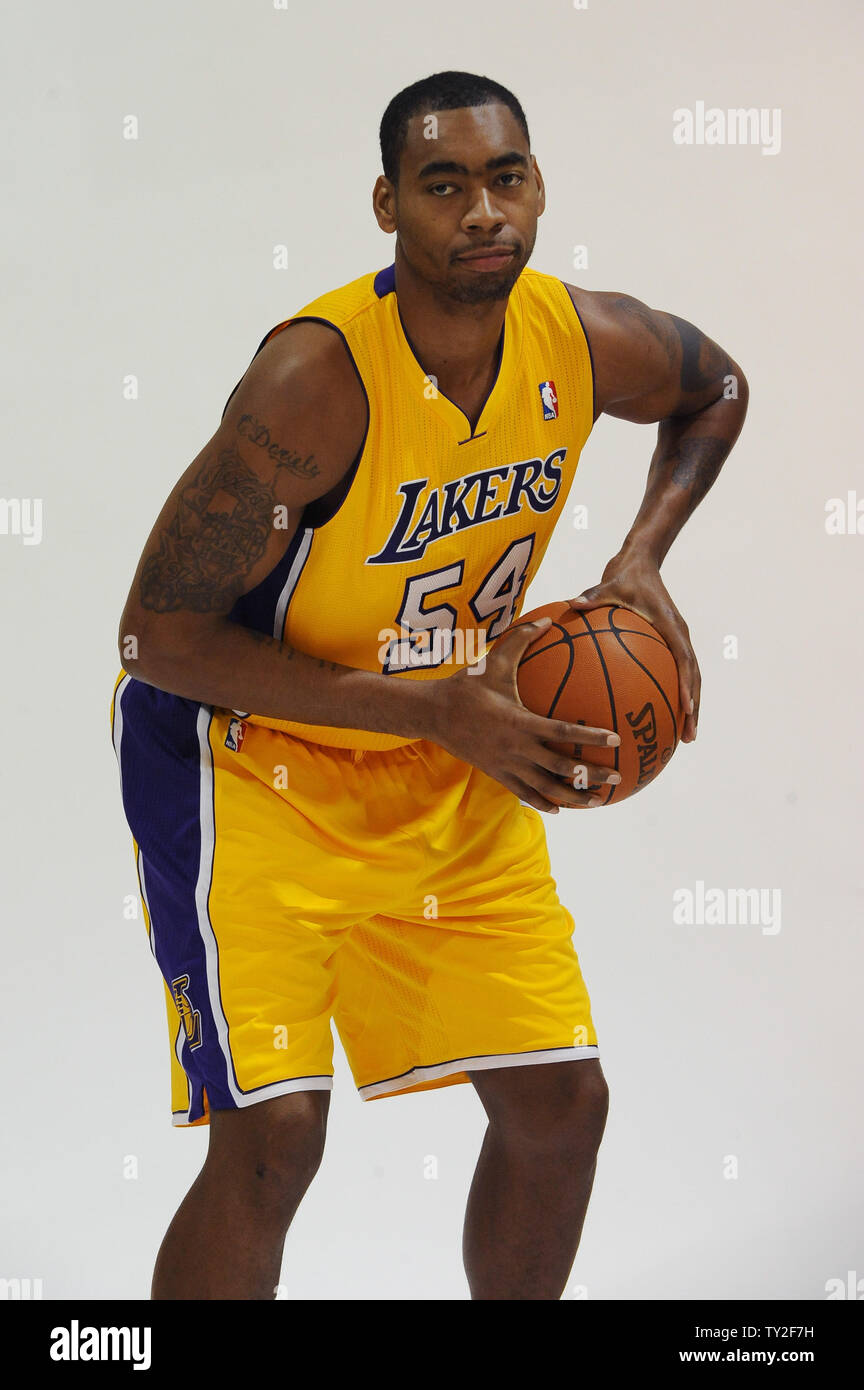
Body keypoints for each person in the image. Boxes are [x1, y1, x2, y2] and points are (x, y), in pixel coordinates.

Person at [110, 70, 748, 1300]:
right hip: (247, 768)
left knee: (562, 1105)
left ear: (540, 187)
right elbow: (153, 636)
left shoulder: (581, 338)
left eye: (505, 178)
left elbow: (715, 388)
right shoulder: (317, 381)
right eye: (443, 185)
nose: (481, 211)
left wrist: (639, 559)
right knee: (274, 1140)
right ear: (387, 205)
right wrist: (435, 708)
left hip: (448, 760)